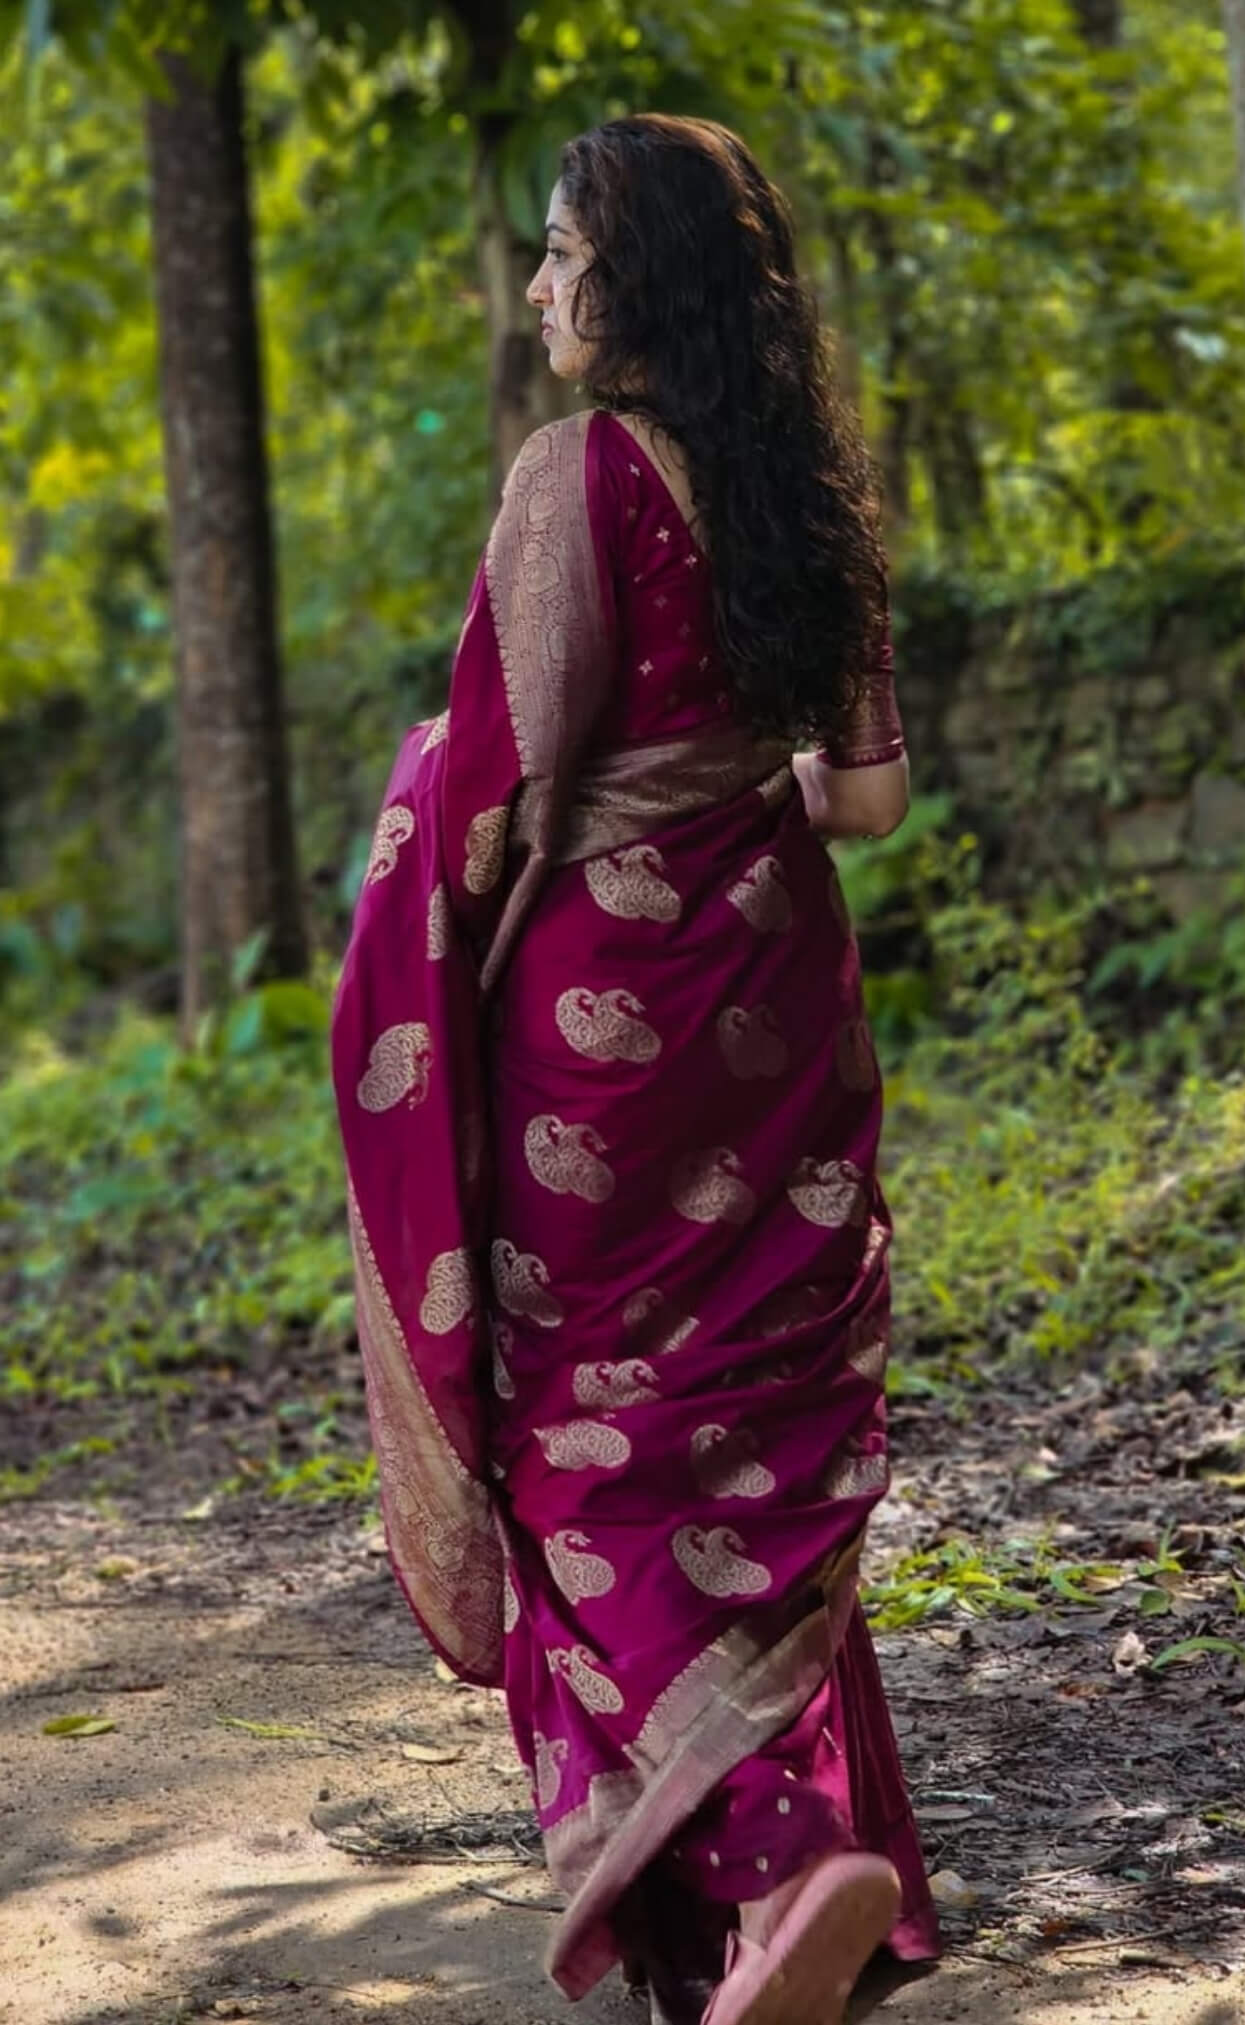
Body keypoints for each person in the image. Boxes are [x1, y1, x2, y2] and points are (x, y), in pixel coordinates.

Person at [331, 112, 941, 2025]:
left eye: (560, 251)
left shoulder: (577, 472)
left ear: (636, 273)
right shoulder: (807, 489)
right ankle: (775, 1925)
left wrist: (417, 818)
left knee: (588, 1448)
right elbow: (866, 797)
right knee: (737, 1438)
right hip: (771, 995)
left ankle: (777, 1861)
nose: (536, 286)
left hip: (604, 1026)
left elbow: (498, 803)